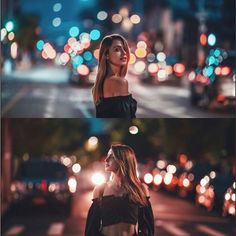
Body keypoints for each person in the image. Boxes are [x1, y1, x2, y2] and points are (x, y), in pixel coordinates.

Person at [85, 144, 154, 236]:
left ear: (122, 160)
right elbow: (91, 229)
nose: (106, 159)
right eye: (107, 156)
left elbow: (147, 227)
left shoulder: (140, 189)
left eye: (111, 156)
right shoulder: (100, 190)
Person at [92, 34, 137, 118]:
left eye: (124, 49)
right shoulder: (119, 82)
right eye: (117, 49)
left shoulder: (104, 81)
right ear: (107, 55)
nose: (124, 53)